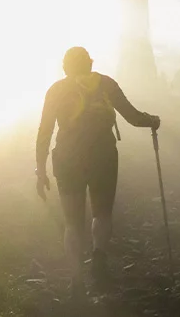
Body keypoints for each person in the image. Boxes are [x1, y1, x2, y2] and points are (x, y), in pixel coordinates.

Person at [35, 47, 161, 295]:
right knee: (101, 213)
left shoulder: (56, 90)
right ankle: (99, 258)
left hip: (68, 159)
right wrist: (152, 120)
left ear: (65, 67)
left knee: (72, 222)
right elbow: (133, 117)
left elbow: (44, 133)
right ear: (90, 64)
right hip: (103, 156)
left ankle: (76, 281)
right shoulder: (106, 84)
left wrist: (40, 170)